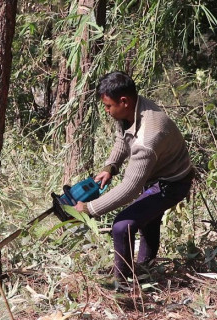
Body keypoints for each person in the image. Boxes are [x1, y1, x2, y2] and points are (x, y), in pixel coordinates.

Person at [73, 71, 194, 290]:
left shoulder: (149, 137)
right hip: (158, 175)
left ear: (124, 101)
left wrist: (89, 208)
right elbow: (123, 138)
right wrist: (111, 166)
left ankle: (124, 286)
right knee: (147, 221)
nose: (107, 112)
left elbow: (130, 188)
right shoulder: (133, 109)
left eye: (109, 106)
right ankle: (143, 271)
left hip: (173, 182)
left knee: (122, 226)